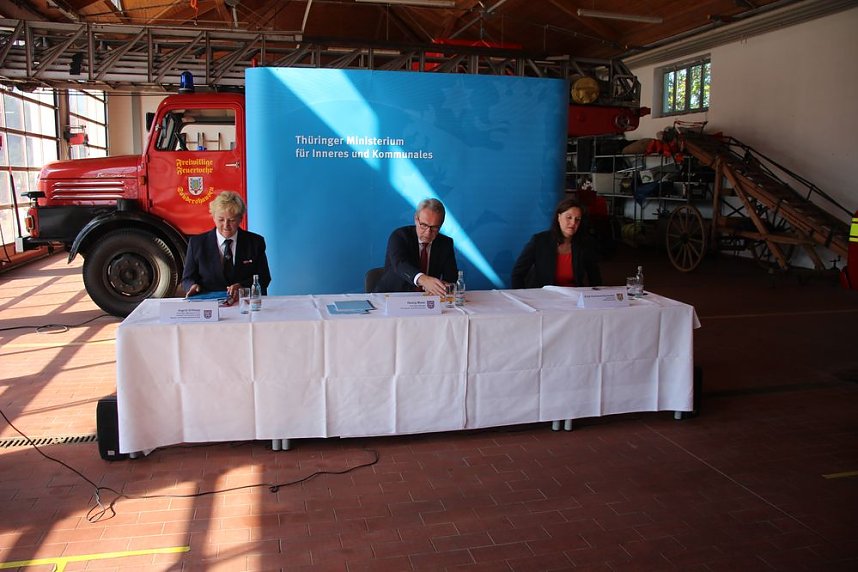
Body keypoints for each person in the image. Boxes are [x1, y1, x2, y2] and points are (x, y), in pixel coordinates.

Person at [182, 190, 271, 303]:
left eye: (232, 220)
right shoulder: (197, 243)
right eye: (221, 220)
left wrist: (242, 287)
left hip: (244, 303)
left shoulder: (255, 242)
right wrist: (192, 286)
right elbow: (187, 278)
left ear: (240, 219)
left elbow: (264, 277)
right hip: (210, 305)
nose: (226, 225)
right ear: (213, 217)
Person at [511, 197, 602, 289]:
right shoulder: (539, 241)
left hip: (573, 294)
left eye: (577, 219)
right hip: (543, 295)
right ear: (559, 217)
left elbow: (595, 277)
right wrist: (522, 295)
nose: (573, 223)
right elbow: (517, 274)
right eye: (569, 217)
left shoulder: (585, 244)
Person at [374, 198, 458, 297]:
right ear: (416, 219)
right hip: (392, 296)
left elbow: (451, 278)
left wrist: (442, 287)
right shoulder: (399, 236)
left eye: (434, 227)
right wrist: (424, 280)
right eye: (424, 225)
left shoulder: (445, 243)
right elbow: (400, 264)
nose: (428, 232)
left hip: (427, 299)